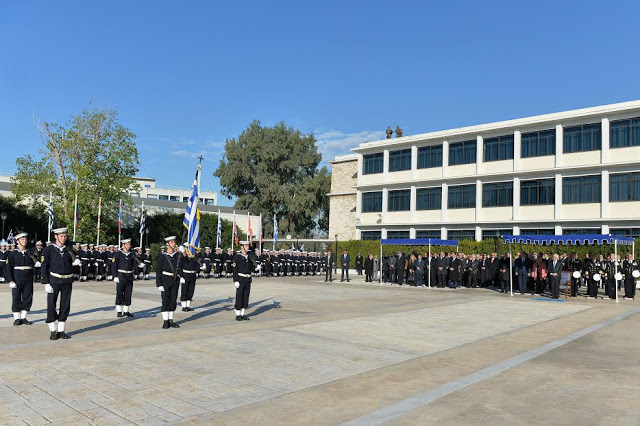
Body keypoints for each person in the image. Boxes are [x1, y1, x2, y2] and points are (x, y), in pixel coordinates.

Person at [41, 227, 80, 340]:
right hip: (54, 279)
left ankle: (61, 330)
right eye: (61, 236)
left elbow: (75, 261)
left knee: (65, 305)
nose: (63, 238)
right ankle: (53, 330)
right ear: (56, 236)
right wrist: (46, 282)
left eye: (65, 236)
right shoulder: (48, 250)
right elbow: (44, 266)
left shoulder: (69, 249)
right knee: (51, 305)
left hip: (67, 280)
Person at [5, 232, 38, 326]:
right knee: (16, 297)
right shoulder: (13, 254)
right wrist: (10, 280)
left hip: (28, 277)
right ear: (18, 241)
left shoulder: (30, 252)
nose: (24, 241)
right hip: (17, 277)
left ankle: (24, 317)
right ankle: (17, 318)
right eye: (22, 239)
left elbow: (35, 264)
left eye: (25, 239)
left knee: (28, 297)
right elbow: (8, 267)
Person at [156, 236, 182, 329]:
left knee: (173, 300)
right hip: (165, 279)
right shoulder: (162, 256)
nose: (174, 244)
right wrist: (159, 284)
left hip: (175, 280)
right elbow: (158, 271)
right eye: (172, 242)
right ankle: (165, 321)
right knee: (165, 300)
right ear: (167, 244)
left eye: (174, 242)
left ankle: (171, 320)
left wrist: (181, 276)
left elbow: (180, 267)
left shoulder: (177, 255)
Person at [111, 239, 136, 318]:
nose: (129, 246)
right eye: (127, 244)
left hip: (129, 275)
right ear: (123, 245)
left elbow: (134, 263)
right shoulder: (118, 254)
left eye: (129, 244)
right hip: (121, 275)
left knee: (128, 293)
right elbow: (114, 265)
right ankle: (119, 310)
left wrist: (136, 272)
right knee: (119, 293)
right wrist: (115, 276)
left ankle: (126, 311)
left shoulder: (131, 254)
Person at [233, 241, 253, 321]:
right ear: (242, 247)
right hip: (240, 279)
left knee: (246, 296)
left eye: (248, 246)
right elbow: (235, 269)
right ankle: (238, 314)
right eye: (246, 246)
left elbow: (251, 268)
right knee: (239, 296)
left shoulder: (249, 257)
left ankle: (242, 313)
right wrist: (236, 280)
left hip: (248, 279)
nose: (247, 247)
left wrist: (256, 268)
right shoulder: (237, 257)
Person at [180, 243, 200, 311]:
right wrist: (181, 276)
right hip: (185, 275)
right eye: (188, 250)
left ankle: (188, 306)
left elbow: (197, 264)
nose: (189, 252)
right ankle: (184, 306)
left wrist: (198, 271)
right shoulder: (184, 258)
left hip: (192, 276)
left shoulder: (194, 259)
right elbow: (180, 267)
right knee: (184, 291)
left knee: (191, 291)